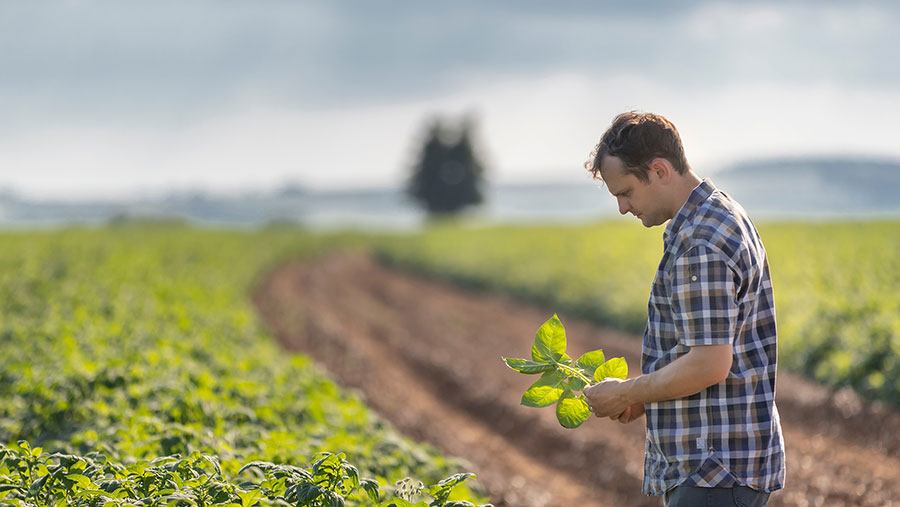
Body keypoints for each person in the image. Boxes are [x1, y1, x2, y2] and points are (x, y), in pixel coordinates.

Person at [582, 111, 785, 507]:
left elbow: (709, 363)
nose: (623, 208)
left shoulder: (700, 242)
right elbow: (703, 350)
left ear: (659, 171)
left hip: (713, 471)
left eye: (625, 192)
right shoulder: (719, 213)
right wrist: (647, 396)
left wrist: (626, 392)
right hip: (721, 467)